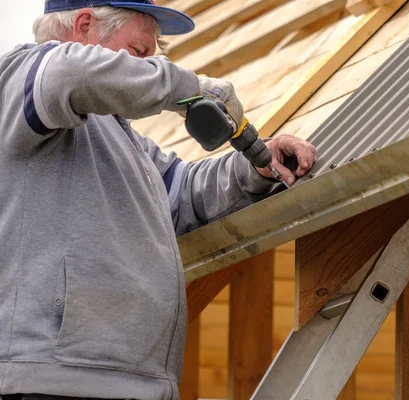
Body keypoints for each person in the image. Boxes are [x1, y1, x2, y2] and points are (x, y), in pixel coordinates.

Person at [0, 1, 317, 399]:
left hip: (128, 382)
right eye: (139, 53)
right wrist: (194, 90)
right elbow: (70, 72)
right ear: (83, 26)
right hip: (53, 381)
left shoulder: (119, 138)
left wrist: (256, 166)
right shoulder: (19, 76)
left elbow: (182, 192)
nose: (150, 67)